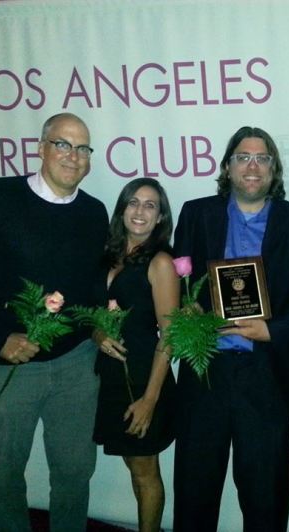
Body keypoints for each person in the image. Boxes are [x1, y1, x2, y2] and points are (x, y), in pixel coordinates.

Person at [0, 113, 108, 532]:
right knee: (4, 476)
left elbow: (93, 288)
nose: (74, 156)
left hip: (76, 367)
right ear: (41, 148)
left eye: (83, 148)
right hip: (7, 367)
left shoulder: (94, 212)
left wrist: (99, 325)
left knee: (74, 472)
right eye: (63, 144)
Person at [172, 126, 289, 531]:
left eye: (263, 159)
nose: (252, 166)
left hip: (267, 376)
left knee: (265, 498)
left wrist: (270, 331)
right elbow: (177, 283)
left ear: (274, 170)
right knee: (194, 490)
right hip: (206, 373)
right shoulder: (196, 213)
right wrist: (189, 314)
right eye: (243, 157)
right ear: (228, 166)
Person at [92, 177, 179, 532]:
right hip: (112, 376)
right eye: (133, 202)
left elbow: (169, 335)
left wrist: (150, 399)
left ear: (160, 217)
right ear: (122, 208)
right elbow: (94, 312)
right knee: (134, 463)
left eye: (150, 205)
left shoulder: (160, 262)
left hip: (145, 376)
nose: (140, 211)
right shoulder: (108, 255)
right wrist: (97, 331)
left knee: (146, 471)